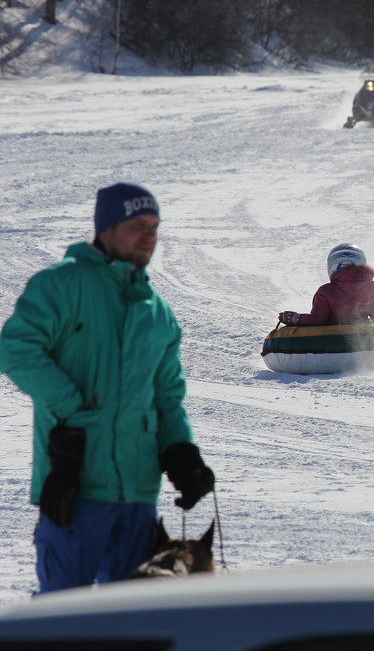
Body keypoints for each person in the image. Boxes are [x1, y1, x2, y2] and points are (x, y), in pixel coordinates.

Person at [0, 183, 215, 594]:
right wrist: (71, 406)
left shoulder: (158, 313)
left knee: (137, 623)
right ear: (106, 229)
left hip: (137, 495)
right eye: (137, 225)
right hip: (75, 486)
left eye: (154, 226)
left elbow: (168, 398)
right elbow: (15, 350)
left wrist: (181, 452)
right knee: (63, 621)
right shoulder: (62, 285)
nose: (149, 235)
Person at [278, 243, 374, 327]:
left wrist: (295, 318)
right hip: (363, 338)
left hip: (330, 340)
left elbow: (318, 320)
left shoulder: (325, 291)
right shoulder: (366, 290)